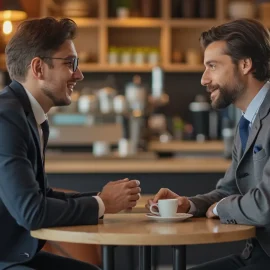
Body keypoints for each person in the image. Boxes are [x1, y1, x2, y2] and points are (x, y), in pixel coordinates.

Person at [0, 17, 141, 270]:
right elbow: (32, 212)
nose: (79, 74)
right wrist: (103, 203)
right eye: (70, 63)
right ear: (38, 68)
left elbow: (40, 196)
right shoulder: (7, 118)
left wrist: (102, 198)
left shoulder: (31, 118)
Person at [146, 18, 270, 270]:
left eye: (212, 66)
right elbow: (228, 190)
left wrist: (221, 207)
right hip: (256, 256)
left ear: (245, 64)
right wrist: (189, 205)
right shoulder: (247, 120)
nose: (204, 79)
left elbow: (264, 205)